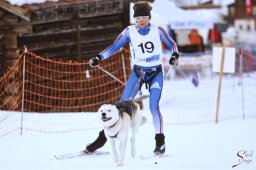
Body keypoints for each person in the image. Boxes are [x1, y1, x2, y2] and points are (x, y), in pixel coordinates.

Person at [86, 1, 179, 155]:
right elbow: (114, 46)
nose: (141, 21)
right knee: (121, 106)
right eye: (138, 18)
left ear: (149, 17)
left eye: (144, 17)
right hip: (138, 73)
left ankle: (160, 141)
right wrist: (99, 57)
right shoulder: (129, 32)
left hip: (155, 73)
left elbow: (172, 44)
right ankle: (102, 139)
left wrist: (175, 55)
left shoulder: (158, 30)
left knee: (153, 106)